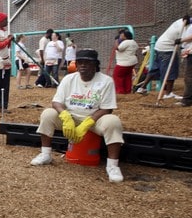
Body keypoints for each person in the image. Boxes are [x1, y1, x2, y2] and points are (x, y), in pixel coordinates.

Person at [30, 48, 125, 183]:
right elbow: (56, 102)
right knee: (48, 114)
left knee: (113, 122)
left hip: (94, 119)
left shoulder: (106, 81)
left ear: (95, 65)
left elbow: (107, 108)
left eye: (87, 62)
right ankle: (45, 154)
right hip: (71, 116)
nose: (83, 66)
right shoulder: (69, 79)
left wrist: (88, 122)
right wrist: (65, 116)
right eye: (80, 62)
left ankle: (112, 166)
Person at [134, 15, 190, 98]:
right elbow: (185, 42)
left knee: (155, 68)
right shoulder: (186, 28)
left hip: (159, 46)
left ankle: (142, 87)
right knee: (171, 70)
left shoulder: (179, 22)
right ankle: (168, 93)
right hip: (167, 49)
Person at [112, 29, 139, 94]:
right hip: (132, 62)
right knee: (127, 76)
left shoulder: (126, 42)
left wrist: (116, 40)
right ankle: (127, 91)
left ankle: (120, 92)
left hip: (124, 63)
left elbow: (118, 48)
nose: (120, 36)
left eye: (122, 35)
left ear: (126, 36)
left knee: (117, 76)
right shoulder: (133, 42)